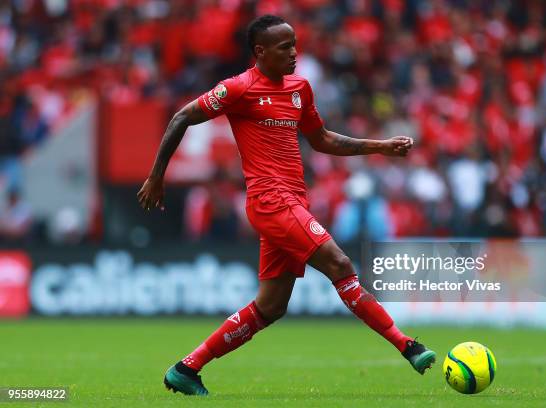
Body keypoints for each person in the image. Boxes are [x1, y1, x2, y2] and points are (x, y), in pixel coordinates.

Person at [137, 15, 436, 396]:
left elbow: (322, 139)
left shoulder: (299, 88)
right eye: (284, 47)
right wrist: (156, 175)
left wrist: (378, 146)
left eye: (294, 44)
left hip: (292, 201)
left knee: (271, 307)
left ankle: (187, 368)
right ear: (260, 52)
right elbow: (182, 117)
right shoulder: (238, 88)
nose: (294, 53)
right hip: (270, 200)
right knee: (340, 264)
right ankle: (407, 345)